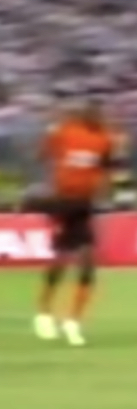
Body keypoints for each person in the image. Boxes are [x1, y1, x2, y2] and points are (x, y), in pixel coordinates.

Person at [33, 99, 116, 346]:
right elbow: (41, 155)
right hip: (63, 202)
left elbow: (106, 168)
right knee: (60, 260)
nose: (97, 116)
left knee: (88, 262)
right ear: (83, 114)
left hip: (85, 205)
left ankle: (73, 322)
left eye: (99, 112)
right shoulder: (66, 131)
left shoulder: (105, 139)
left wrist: (105, 193)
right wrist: (50, 134)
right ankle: (44, 313)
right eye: (92, 112)